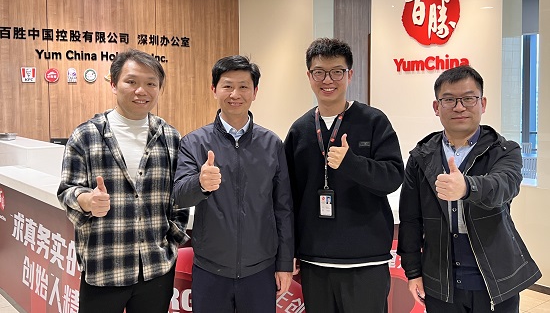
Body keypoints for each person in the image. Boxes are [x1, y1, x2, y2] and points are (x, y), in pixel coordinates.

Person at [398, 65, 541, 313]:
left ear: (482, 104)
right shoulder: (421, 156)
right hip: (440, 279)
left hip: (495, 277)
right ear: (436, 107)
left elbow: (504, 186)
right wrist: (412, 272)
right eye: (449, 100)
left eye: (468, 98)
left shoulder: (504, 150)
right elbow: (410, 219)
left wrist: (467, 186)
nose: (459, 107)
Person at [58, 49, 187, 313]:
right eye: (131, 81)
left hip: (156, 269)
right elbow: (67, 190)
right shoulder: (86, 135)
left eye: (151, 83)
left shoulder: (170, 137)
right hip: (104, 267)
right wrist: (87, 200)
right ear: (114, 84)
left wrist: (171, 241)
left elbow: (178, 198)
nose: (142, 91)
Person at [284, 38, 405, 313]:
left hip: (365, 259)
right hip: (315, 260)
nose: (328, 80)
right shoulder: (300, 130)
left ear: (350, 75)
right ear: (309, 76)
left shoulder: (373, 121)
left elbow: (393, 177)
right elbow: (288, 197)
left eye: (337, 72)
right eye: (319, 72)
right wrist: (288, 251)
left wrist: (352, 163)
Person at [173, 55, 294, 313]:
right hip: (210, 269)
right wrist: (199, 183)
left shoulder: (272, 144)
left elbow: (283, 208)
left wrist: (284, 263)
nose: (235, 94)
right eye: (227, 86)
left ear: (255, 92)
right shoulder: (194, 142)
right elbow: (179, 196)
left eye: (243, 86)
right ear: (214, 89)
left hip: (260, 269)